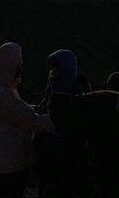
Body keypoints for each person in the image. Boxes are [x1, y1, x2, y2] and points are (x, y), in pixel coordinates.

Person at [0, 42, 55, 198]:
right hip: (8, 166)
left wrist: (33, 108)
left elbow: (18, 110)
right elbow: (31, 122)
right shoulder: (3, 94)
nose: (20, 68)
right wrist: (59, 121)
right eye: (18, 64)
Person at [34, 49, 90, 198]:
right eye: (51, 69)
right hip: (46, 160)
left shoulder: (77, 95)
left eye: (56, 70)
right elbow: (42, 109)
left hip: (66, 161)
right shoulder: (51, 89)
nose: (52, 73)